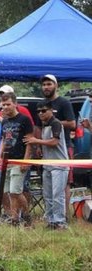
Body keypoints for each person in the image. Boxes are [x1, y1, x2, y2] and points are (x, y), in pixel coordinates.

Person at [23, 101, 69, 230]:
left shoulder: (56, 123)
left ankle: (60, 222)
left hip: (59, 164)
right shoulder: (43, 125)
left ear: (51, 110)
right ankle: (50, 221)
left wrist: (36, 141)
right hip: (47, 164)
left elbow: (54, 142)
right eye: (38, 112)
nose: (41, 114)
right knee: (47, 195)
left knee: (57, 195)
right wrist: (39, 147)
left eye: (43, 111)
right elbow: (45, 143)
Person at [0, 92, 34, 226]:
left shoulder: (24, 120)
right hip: (7, 160)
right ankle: (15, 218)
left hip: (19, 160)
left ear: (15, 104)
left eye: (8, 104)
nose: (5, 107)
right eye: (3, 104)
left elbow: (29, 141)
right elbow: (3, 140)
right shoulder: (5, 121)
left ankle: (27, 215)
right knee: (8, 192)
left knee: (16, 191)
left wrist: (25, 160)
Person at [41, 74, 76, 217]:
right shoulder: (42, 104)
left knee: (64, 183)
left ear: (56, 86)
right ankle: (51, 216)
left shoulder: (64, 103)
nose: (46, 87)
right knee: (49, 184)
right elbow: (38, 126)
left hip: (64, 146)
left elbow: (73, 124)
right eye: (44, 85)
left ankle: (64, 215)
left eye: (49, 84)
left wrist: (53, 122)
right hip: (46, 147)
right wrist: (37, 146)